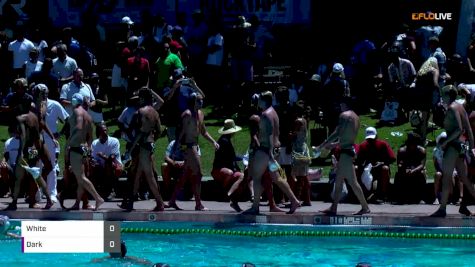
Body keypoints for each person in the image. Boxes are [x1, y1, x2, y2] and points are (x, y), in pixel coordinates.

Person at [242, 91, 300, 215]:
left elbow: (268, 136)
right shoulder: (274, 113)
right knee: (277, 178)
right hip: (274, 151)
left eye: (260, 100)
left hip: (266, 152)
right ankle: (294, 201)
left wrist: (270, 156)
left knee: (257, 178)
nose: (258, 102)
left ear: (264, 101)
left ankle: (255, 207)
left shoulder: (265, 115)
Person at [4, 90, 54, 210]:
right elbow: (38, 134)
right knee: (35, 175)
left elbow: (23, 136)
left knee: (20, 176)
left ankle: (16, 202)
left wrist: (21, 152)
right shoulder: (35, 116)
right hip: (34, 148)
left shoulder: (22, 118)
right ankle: (16, 202)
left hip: (26, 149)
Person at [167, 93, 219, 211]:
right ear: (193, 101)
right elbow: (180, 133)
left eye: (201, 100)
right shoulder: (187, 115)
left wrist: (213, 142)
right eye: (199, 101)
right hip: (188, 147)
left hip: (195, 146)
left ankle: (172, 201)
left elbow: (203, 131)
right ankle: (198, 204)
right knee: (198, 173)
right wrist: (175, 148)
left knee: (185, 176)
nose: (201, 102)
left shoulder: (200, 114)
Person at [314, 109, 370, 215]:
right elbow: (347, 137)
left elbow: (337, 132)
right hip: (348, 152)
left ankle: (365, 207)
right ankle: (334, 207)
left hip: (345, 155)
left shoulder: (344, 116)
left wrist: (321, 145)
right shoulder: (356, 118)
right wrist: (335, 144)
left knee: (352, 183)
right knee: (339, 181)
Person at [431, 86, 475, 217]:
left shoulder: (452, 108)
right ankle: (442, 208)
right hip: (461, 146)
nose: (442, 97)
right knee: (465, 179)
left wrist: (445, 142)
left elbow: (459, 129)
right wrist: (471, 147)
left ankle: (442, 209)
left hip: (453, 146)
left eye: (443, 95)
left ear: (447, 95)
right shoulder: (460, 107)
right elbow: (468, 129)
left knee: (446, 177)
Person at [119, 87, 165, 211]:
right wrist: (152, 140)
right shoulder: (154, 112)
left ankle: (160, 203)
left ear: (142, 98)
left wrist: (129, 150)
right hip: (149, 145)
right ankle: (131, 202)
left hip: (143, 147)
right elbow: (159, 131)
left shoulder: (139, 112)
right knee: (137, 174)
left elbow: (138, 133)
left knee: (149, 177)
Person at [65, 93, 104, 210]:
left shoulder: (78, 111)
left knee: (81, 177)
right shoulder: (88, 115)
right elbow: (90, 137)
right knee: (79, 178)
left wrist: (68, 144)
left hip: (76, 147)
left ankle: (98, 198)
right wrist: (87, 151)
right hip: (84, 148)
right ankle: (77, 203)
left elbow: (79, 127)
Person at [211, 119, 245, 212]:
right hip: (218, 169)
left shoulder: (227, 140)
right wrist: (243, 158)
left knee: (241, 176)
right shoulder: (224, 141)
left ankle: (233, 199)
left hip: (229, 168)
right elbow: (231, 157)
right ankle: (225, 193)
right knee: (230, 173)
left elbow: (232, 158)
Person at [356, 127, 396, 203]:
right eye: (369, 139)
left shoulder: (383, 144)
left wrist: (382, 163)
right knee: (356, 168)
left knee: (385, 168)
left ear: (376, 136)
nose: (370, 141)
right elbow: (358, 160)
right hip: (367, 170)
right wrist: (365, 164)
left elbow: (392, 158)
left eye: (372, 139)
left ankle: (383, 194)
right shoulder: (362, 146)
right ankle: (359, 193)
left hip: (380, 169)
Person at [393, 132, 427, 204]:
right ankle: (400, 197)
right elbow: (399, 164)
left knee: (422, 173)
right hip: (405, 169)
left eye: (414, 143)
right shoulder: (402, 151)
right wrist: (404, 168)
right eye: (411, 143)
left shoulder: (422, 151)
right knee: (398, 174)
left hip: (417, 170)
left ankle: (421, 197)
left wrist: (414, 170)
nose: (412, 145)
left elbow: (422, 165)